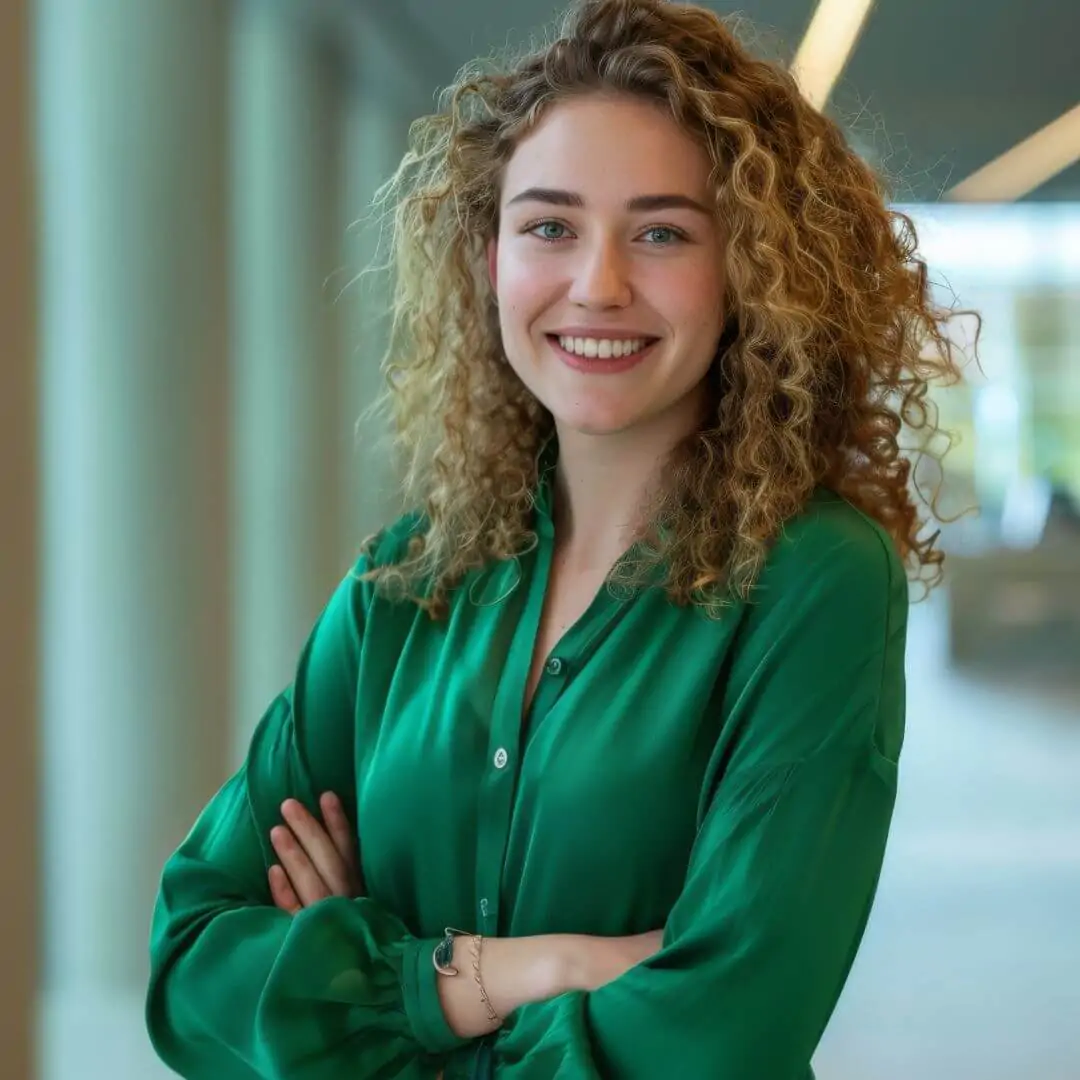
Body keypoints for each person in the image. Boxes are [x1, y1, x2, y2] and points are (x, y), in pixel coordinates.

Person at [146, 1, 969, 1077]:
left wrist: (365, 998)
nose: (598, 284)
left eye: (663, 232)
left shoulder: (814, 582)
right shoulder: (407, 579)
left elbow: (720, 1036)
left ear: (750, 271)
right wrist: (511, 972)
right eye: (550, 226)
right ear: (489, 256)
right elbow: (192, 964)